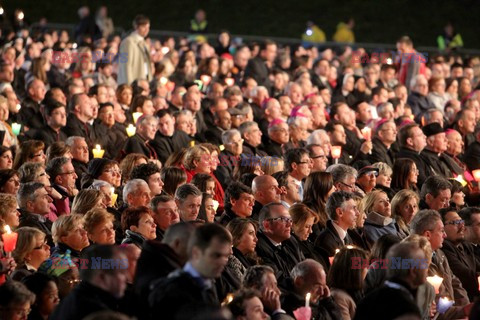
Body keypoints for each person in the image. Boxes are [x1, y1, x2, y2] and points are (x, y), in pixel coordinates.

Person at [148, 223, 232, 319]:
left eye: (225, 256)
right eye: (216, 255)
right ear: (196, 253)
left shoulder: (209, 285)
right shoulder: (169, 291)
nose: (223, 262)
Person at [50, 245, 129, 320]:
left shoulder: (75, 299)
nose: (126, 278)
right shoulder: (95, 312)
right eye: (121, 272)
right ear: (102, 277)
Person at [354, 242, 427, 320]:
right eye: (424, 264)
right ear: (413, 271)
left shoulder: (366, 301)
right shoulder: (406, 309)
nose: (427, 269)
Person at [255, 202, 304, 283]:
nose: (289, 224)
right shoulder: (259, 248)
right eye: (283, 219)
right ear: (267, 225)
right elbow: (278, 282)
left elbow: (304, 267)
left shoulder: (292, 241)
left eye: (290, 220)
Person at [439, 206, 480, 300]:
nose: (462, 226)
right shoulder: (444, 248)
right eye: (455, 223)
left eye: (461, 222)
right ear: (442, 228)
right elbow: (467, 277)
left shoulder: (466, 246)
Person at [328, 246, 369, 320]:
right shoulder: (339, 297)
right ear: (355, 271)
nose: (367, 270)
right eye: (365, 266)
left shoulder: (355, 292)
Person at [315, 191, 358, 259]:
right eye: (353, 208)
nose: (357, 213)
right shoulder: (326, 242)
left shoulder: (349, 237)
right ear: (340, 212)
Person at [117, 15, 152, 85]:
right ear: (136, 27)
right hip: (134, 82)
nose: (146, 30)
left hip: (144, 80)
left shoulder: (144, 43)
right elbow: (125, 64)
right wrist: (129, 84)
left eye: (148, 27)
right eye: (144, 27)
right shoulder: (128, 42)